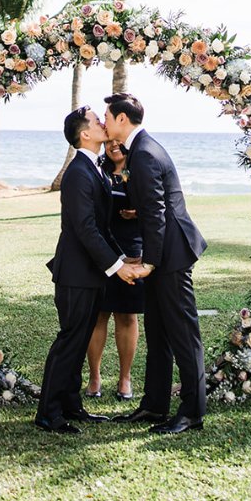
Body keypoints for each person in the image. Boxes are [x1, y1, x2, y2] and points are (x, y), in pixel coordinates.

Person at [105, 92, 208, 436]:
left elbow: (157, 213)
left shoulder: (145, 154)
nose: (104, 123)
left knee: (183, 334)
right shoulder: (142, 149)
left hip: (172, 256)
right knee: (158, 332)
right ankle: (154, 404)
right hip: (163, 252)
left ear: (122, 120)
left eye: (107, 116)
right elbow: (150, 205)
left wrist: (149, 261)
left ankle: (192, 411)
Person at [35, 107, 140, 435]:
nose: (102, 123)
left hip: (89, 274)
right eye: (97, 121)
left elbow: (102, 226)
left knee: (79, 341)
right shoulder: (79, 171)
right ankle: (48, 413)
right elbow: (84, 228)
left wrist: (124, 259)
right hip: (76, 274)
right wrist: (116, 267)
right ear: (85, 134)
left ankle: (72, 405)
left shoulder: (93, 168)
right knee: (69, 341)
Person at [85, 136, 142, 401]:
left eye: (119, 141)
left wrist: (138, 212)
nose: (114, 146)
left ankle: (125, 378)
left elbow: (157, 206)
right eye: (109, 142)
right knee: (98, 315)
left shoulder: (139, 170)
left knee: (127, 316)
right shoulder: (100, 172)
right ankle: (94, 377)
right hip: (102, 251)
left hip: (132, 251)